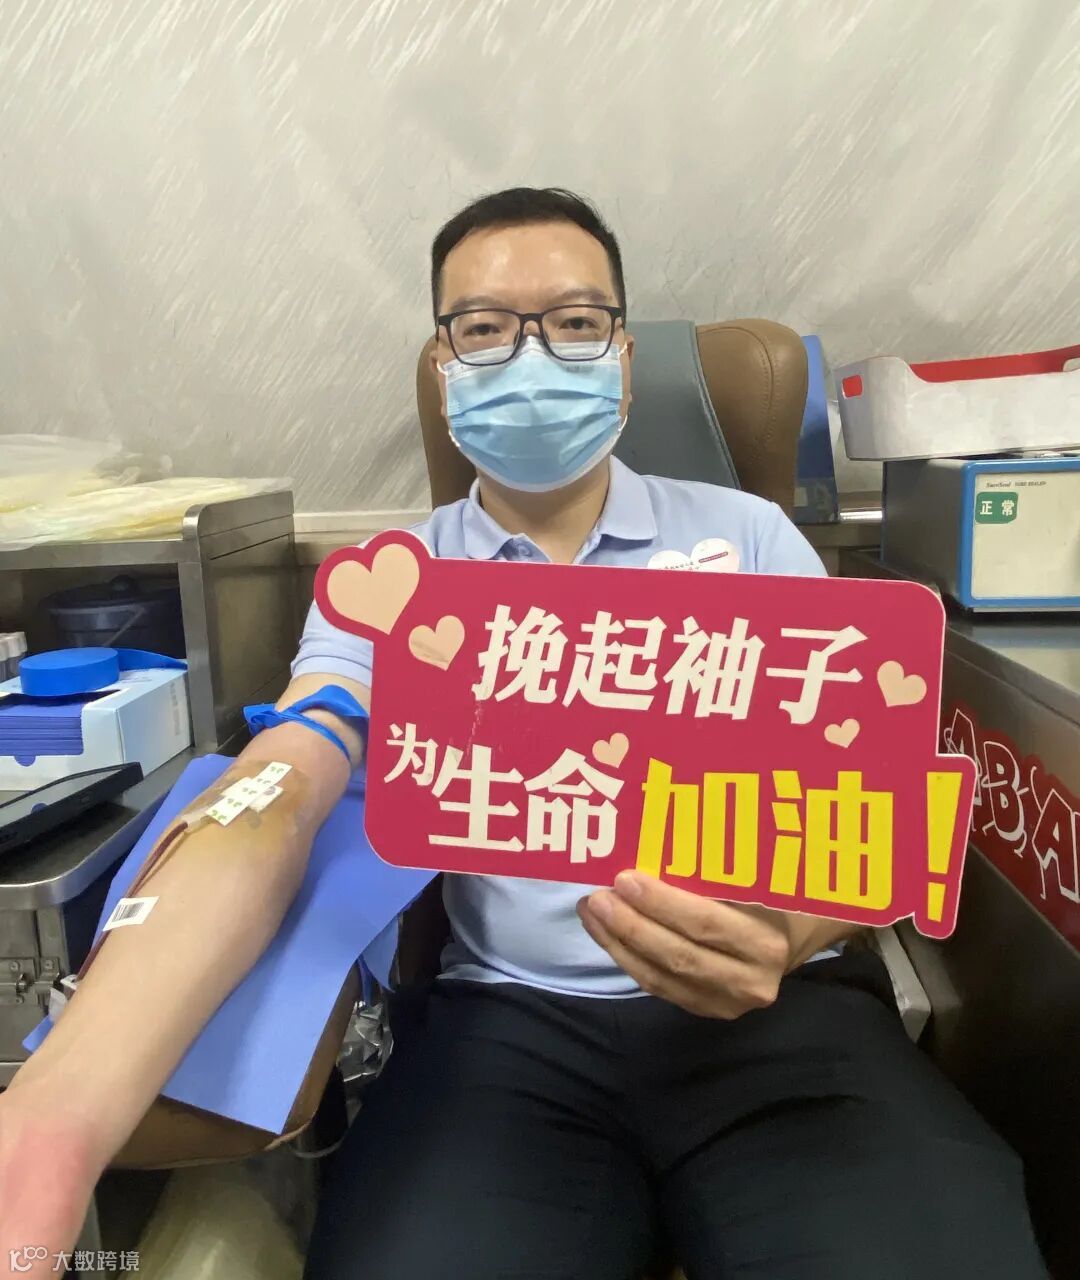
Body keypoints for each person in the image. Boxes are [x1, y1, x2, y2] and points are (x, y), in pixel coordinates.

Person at [0, 189, 1047, 1280]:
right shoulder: (396, 585)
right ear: (444, 362)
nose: (533, 357)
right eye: (487, 327)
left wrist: (788, 932)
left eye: (576, 322)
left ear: (624, 362)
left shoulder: (751, 540)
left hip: (779, 1017)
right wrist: (58, 1115)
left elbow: (874, 821)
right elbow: (283, 782)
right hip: (504, 1035)